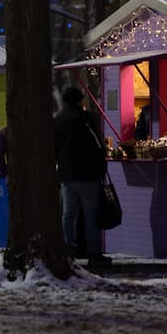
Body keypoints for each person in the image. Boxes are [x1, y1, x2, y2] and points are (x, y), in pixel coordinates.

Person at [54, 86, 111, 267]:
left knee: (68, 214)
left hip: (67, 175)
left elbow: (53, 148)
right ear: (80, 100)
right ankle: (93, 253)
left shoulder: (58, 120)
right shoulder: (87, 118)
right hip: (88, 174)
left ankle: (69, 249)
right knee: (91, 215)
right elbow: (98, 145)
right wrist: (102, 166)